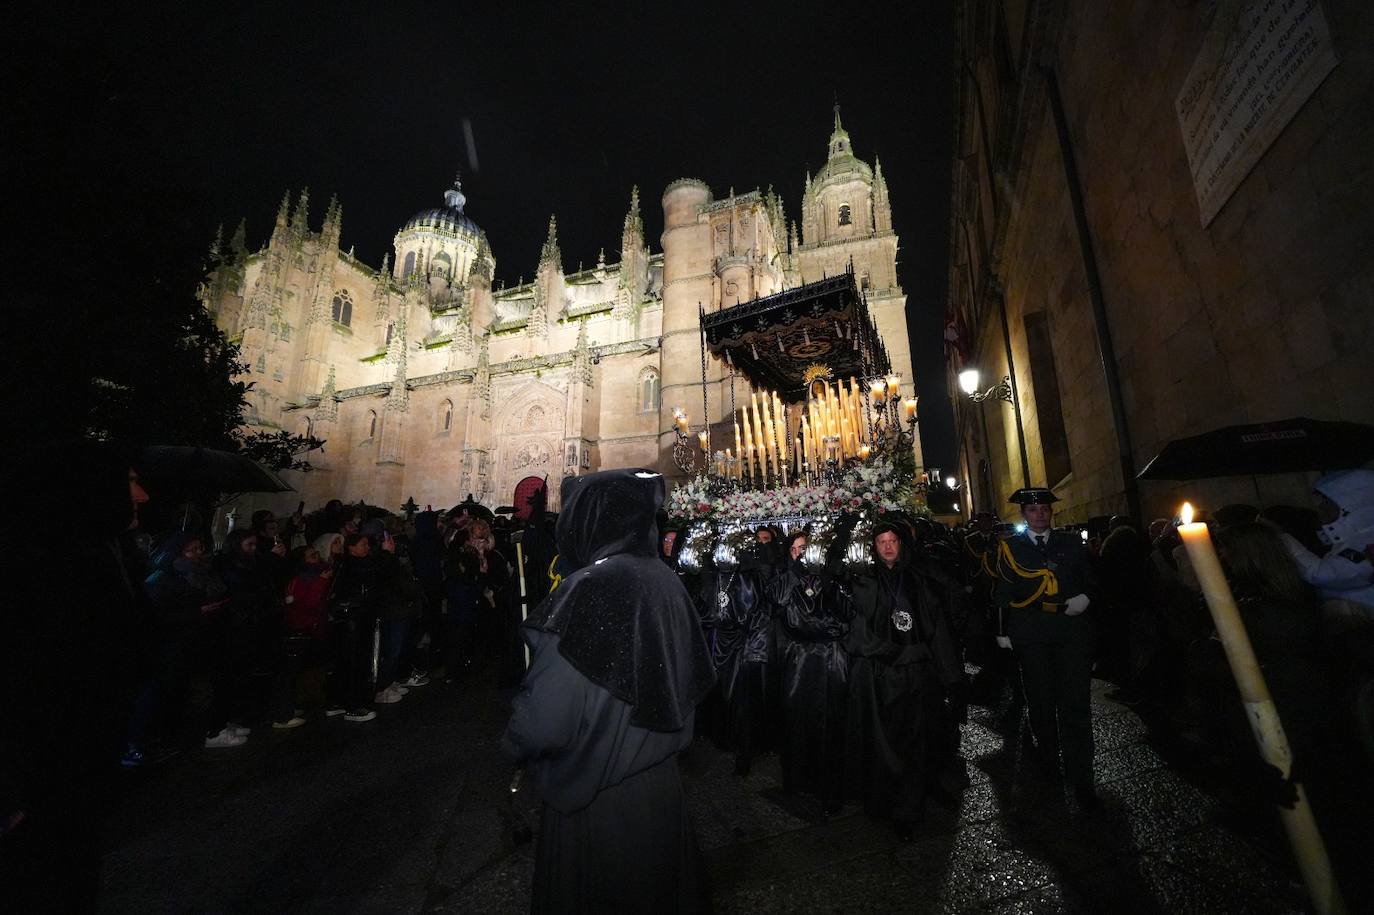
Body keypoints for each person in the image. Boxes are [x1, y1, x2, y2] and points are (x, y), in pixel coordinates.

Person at [502, 469, 715, 913]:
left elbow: (547, 719)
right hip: (659, 786)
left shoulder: (589, 589)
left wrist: (515, 741)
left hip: (600, 796)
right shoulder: (663, 578)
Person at [846, 520, 965, 838]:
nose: (887, 547)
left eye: (893, 541)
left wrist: (950, 673)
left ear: (902, 545)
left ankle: (914, 802)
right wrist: (893, 654)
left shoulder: (918, 579)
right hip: (885, 674)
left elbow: (937, 625)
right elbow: (860, 632)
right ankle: (892, 802)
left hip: (919, 672)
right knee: (890, 740)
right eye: (881, 541)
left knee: (922, 736)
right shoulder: (866, 581)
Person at [994, 487, 1099, 808]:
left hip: (1069, 630)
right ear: (1023, 514)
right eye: (1032, 509)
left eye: (1044, 509)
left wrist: (1086, 597)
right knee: (1040, 701)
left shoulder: (1070, 543)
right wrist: (1002, 630)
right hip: (1031, 630)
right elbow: (1002, 592)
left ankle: (1083, 777)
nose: (1039, 514)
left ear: (1050, 512)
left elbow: (1091, 578)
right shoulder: (1011, 548)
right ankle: (1050, 761)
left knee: (1075, 704)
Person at [768, 531, 852, 814]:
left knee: (831, 720)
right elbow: (785, 609)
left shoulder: (827, 577)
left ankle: (831, 784)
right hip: (801, 661)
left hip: (830, 659)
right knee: (798, 719)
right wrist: (791, 570)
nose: (800, 554)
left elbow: (841, 619)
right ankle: (798, 779)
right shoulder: (785, 579)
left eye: (805, 548)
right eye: (795, 549)